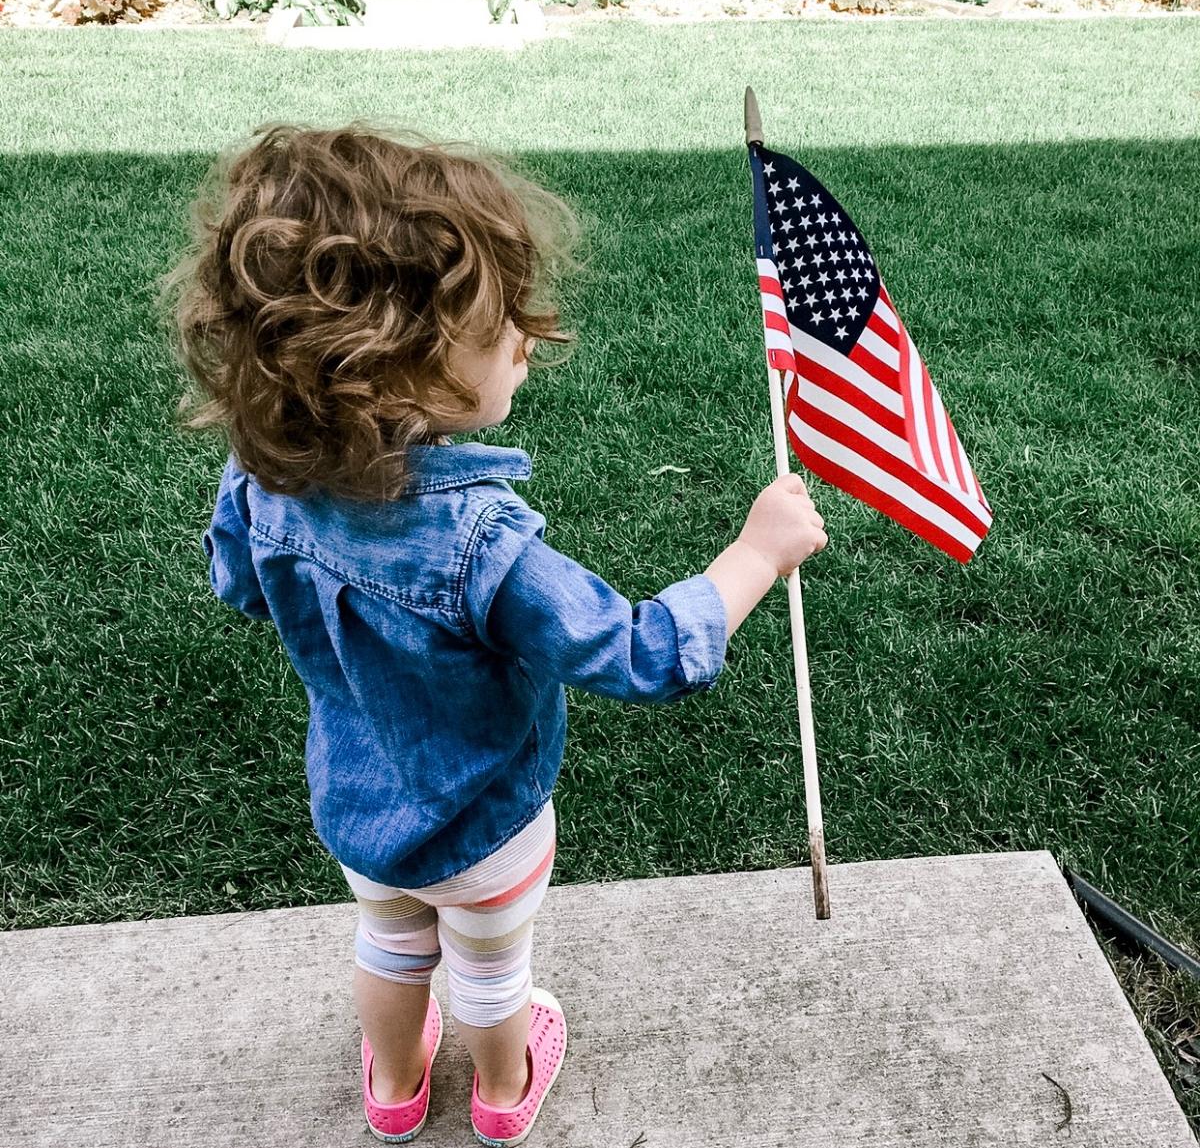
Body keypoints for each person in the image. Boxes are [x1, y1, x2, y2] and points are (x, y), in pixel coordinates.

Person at [167, 122, 827, 1147]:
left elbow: (241, 586)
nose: (526, 337)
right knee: (488, 965)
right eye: (497, 326)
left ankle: (393, 1089)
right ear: (388, 371)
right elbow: (648, 654)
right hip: (489, 825)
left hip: (356, 805)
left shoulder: (264, 479)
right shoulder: (484, 547)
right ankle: (503, 1090)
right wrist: (756, 551)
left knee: (389, 942)